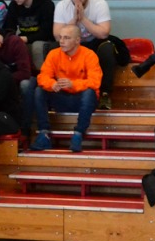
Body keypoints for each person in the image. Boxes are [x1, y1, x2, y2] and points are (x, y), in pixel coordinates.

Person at [30, 24, 102, 153]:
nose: (61, 41)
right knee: (39, 91)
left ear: (77, 40)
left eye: (67, 38)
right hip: (61, 98)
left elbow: (95, 82)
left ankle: (78, 134)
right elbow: (43, 77)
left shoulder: (89, 55)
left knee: (90, 92)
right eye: (60, 37)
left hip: (82, 100)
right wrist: (52, 84)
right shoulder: (53, 54)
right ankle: (43, 134)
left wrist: (73, 84)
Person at [52, 0, 116, 110]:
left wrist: (83, 19)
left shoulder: (99, 4)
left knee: (107, 49)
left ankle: (105, 94)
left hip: (94, 41)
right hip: (73, 44)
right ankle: (58, 92)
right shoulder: (62, 6)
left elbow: (104, 33)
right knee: (55, 48)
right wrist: (74, 19)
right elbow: (58, 36)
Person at [3, 0, 55, 69]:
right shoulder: (13, 6)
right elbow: (9, 28)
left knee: (37, 46)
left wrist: (25, 39)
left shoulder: (46, 5)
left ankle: (40, 74)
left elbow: (47, 33)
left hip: (43, 40)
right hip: (23, 38)